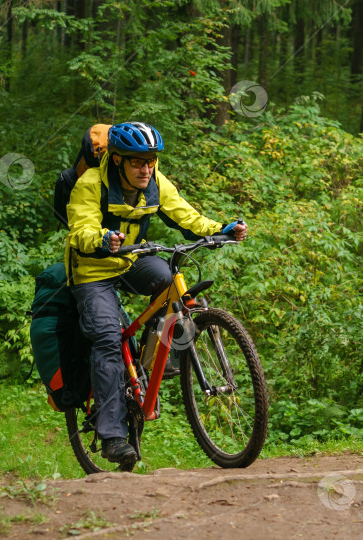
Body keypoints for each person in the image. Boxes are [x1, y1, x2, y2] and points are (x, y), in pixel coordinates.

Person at [65, 121, 247, 466]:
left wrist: (220, 229)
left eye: (150, 160)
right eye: (136, 161)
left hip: (131, 260)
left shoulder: (154, 182)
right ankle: (113, 437)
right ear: (117, 160)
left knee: (171, 285)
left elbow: (184, 214)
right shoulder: (90, 185)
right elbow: (81, 229)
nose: (145, 168)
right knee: (106, 339)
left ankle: (156, 360)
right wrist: (101, 239)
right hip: (92, 270)